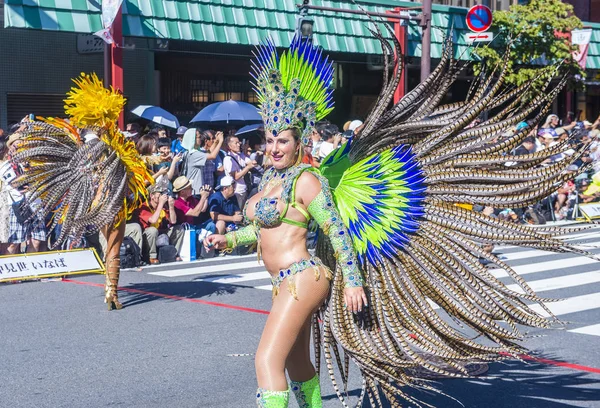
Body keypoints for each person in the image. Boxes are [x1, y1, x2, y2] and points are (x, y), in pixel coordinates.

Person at [205, 37, 367, 407]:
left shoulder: (305, 180)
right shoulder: (268, 180)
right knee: (296, 363)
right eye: (270, 139)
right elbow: (261, 231)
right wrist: (227, 241)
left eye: (283, 141)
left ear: (298, 144)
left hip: (302, 276)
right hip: (285, 282)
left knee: (266, 361)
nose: (274, 147)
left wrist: (353, 282)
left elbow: (336, 230)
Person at [11, 73, 154, 309]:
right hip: (112, 202)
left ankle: (111, 292)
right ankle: (112, 293)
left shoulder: (85, 148)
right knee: (113, 249)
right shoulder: (109, 146)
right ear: (102, 121)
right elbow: (123, 173)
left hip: (94, 203)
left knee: (109, 247)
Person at [138, 181, 184, 264]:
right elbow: (153, 220)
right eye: (160, 194)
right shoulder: (144, 207)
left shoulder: (164, 206)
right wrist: (161, 204)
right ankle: (152, 257)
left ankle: (174, 253)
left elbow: (173, 221)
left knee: (179, 229)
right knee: (152, 230)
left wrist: (171, 206)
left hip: (161, 234)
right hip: (148, 238)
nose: (163, 197)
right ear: (152, 196)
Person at [181, 130, 223, 195]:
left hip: (196, 190)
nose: (201, 139)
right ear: (193, 139)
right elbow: (212, 156)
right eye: (199, 137)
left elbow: (208, 152)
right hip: (195, 191)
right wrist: (221, 141)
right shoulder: (194, 154)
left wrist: (216, 141)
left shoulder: (189, 152)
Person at [223, 135, 256, 209]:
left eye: (239, 143)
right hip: (237, 192)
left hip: (244, 190)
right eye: (236, 143)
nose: (239, 145)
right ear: (229, 146)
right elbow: (236, 176)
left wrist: (256, 157)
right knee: (239, 214)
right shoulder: (228, 159)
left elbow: (250, 162)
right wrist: (247, 167)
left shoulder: (240, 155)